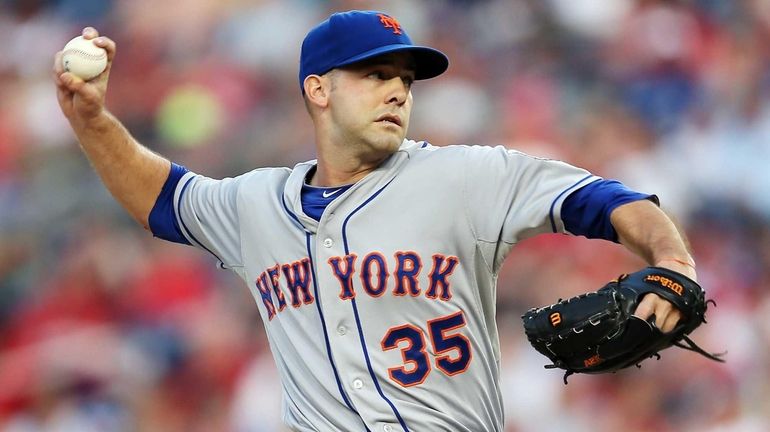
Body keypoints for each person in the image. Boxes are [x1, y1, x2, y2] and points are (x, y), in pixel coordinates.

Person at [53, 10, 698, 432]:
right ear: (318, 89)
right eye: (375, 75)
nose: (398, 91)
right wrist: (91, 120)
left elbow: (608, 200)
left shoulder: (464, 176)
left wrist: (673, 261)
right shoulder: (255, 203)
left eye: (405, 82)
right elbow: (161, 199)